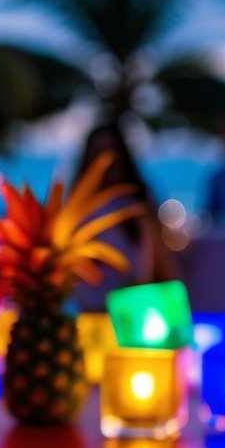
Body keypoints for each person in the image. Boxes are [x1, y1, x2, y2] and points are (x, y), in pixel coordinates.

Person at [72, 123, 177, 310]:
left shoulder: (139, 200)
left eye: (112, 151)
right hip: (90, 310)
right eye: (98, 152)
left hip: (136, 309)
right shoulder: (76, 208)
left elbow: (161, 260)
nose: (106, 160)